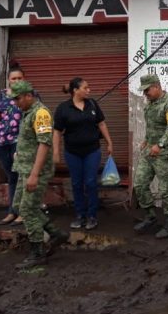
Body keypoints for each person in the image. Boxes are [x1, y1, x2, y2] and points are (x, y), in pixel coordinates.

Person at [8, 81, 68, 269]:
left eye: (18, 98)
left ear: (28, 95)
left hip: (35, 172)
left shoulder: (41, 114)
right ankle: (55, 233)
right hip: (24, 169)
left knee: (27, 210)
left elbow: (44, 144)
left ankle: (37, 252)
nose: (15, 103)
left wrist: (34, 175)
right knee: (19, 206)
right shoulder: (27, 112)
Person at [53, 76, 114, 231]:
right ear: (75, 90)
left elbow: (101, 123)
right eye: (85, 88)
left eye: (88, 87)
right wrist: (55, 151)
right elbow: (57, 132)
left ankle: (92, 216)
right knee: (76, 183)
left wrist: (109, 142)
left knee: (91, 182)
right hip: (72, 152)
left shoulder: (92, 104)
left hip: (92, 151)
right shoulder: (63, 108)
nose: (89, 90)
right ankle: (80, 215)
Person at [133, 74, 168, 239]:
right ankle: (151, 216)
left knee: (166, 191)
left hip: (164, 154)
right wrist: (147, 140)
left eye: (147, 90)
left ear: (157, 86)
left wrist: (159, 145)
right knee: (139, 184)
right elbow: (152, 126)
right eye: (144, 91)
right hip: (150, 152)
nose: (145, 93)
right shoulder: (150, 105)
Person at [0, 66, 25, 225]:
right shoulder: (3, 95)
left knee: (22, 177)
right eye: (13, 78)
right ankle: (12, 211)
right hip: (2, 142)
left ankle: (22, 213)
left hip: (20, 142)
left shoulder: (29, 94)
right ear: (9, 80)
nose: (16, 81)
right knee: (12, 177)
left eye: (19, 78)